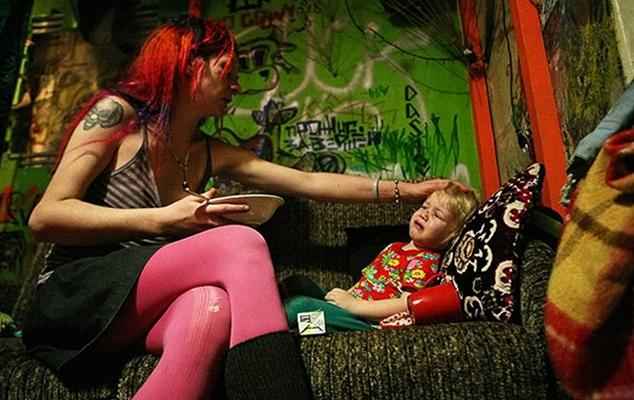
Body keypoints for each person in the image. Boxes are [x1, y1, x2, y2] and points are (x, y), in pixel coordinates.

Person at [23, 14, 470, 400]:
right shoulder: (116, 115)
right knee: (239, 243)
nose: (236, 85)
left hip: (132, 312)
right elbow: (46, 217)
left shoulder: (209, 151)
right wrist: (164, 218)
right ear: (189, 63)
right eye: (226, 71)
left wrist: (409, 191)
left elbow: (309, 182)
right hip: (74, 297)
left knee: (211, 309)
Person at [283, 185, 479, 332]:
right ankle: (302, 323)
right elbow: (366, 282)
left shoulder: (424, 261)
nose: (425, 214)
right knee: (297, 283)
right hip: (351, 308)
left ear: (451, 235)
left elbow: (406, 304)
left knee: (297, 308)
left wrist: (355, 306)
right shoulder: (395, 247)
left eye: (437, 215)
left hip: (367, 324)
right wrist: (345, 297)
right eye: (425, 206)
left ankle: (299, 328)